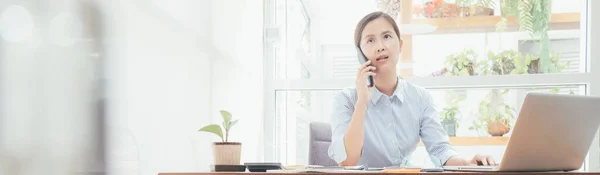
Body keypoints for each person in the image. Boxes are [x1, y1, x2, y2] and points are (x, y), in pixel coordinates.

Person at [327, 11, 497, 168]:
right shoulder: (345, 100)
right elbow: (347, 161)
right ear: (360, 53)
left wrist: (467, 164)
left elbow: (439, 149)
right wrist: (362, 103)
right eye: (370, 40)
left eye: (386, 36)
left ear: (400, 45)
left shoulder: (420, 98)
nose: (380, 46)